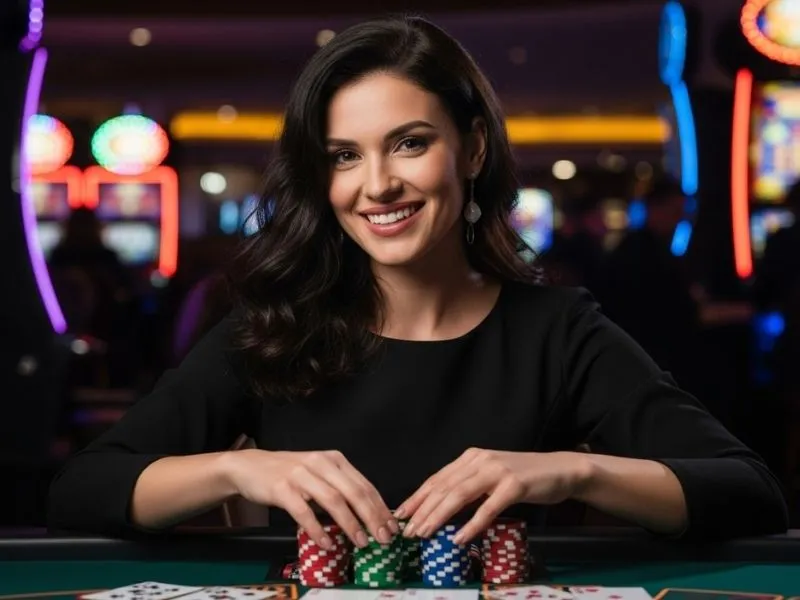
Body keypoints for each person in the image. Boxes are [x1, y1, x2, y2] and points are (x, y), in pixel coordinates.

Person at [47, 16, 787, 547]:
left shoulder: (557, 331)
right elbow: (81, 490)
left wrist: (572, 472)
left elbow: (749, 491)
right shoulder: (275, 329)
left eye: (409, 143)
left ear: (472, 150)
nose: (376, 185)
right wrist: (238, 470)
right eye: (344, 155)